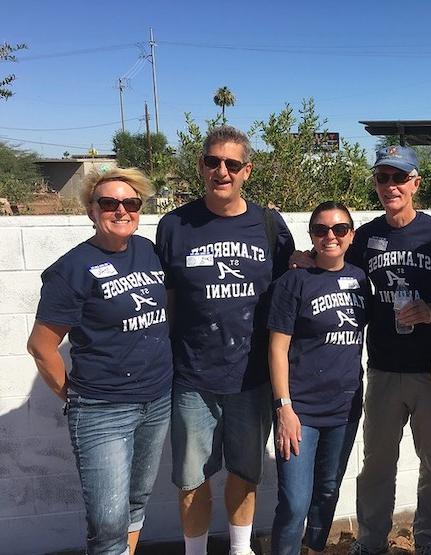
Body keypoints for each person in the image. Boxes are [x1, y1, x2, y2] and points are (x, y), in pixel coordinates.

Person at [156, 126, 295, 555]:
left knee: (244, 472)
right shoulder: (175, 225)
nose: (222, 171)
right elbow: (169, 302)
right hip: (193, 377)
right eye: (213, 161)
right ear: (201, 166)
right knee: (192, 478)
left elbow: (287, 293)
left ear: (246, 171)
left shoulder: (270, 225)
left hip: (251, 379)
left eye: (232, 164)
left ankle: (239, 549)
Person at [27, 168, 173, 555]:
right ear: (91, 210)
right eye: (109, 203)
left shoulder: (147, 250)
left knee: (136, 502)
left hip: (156, 401)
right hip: (102, 409)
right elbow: (41, 346)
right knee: (107, 522)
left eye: (130, 203)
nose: (120, 210)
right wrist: (73, 398)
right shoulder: (71, 269)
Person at [349, 146, 431, 555]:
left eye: (399, 178)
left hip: (430, 371)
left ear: (416, 183)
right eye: (383, 178)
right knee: (377, 465)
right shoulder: (365, 237)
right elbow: (341, 278)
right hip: (382, 367)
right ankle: (370, 541)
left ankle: (427, 541)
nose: (390, 186)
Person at [268, 201, 371, 555]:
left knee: (327, 493)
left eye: (339, 229)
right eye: (321, 230)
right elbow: (277, 348)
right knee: (295, 501)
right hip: (300, 411)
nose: (331, 236)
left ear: (351, 235)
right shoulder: (293, 281)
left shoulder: (360, 280)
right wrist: (284, 408)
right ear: (311, 235)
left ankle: (313, 549)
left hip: (344, 407)